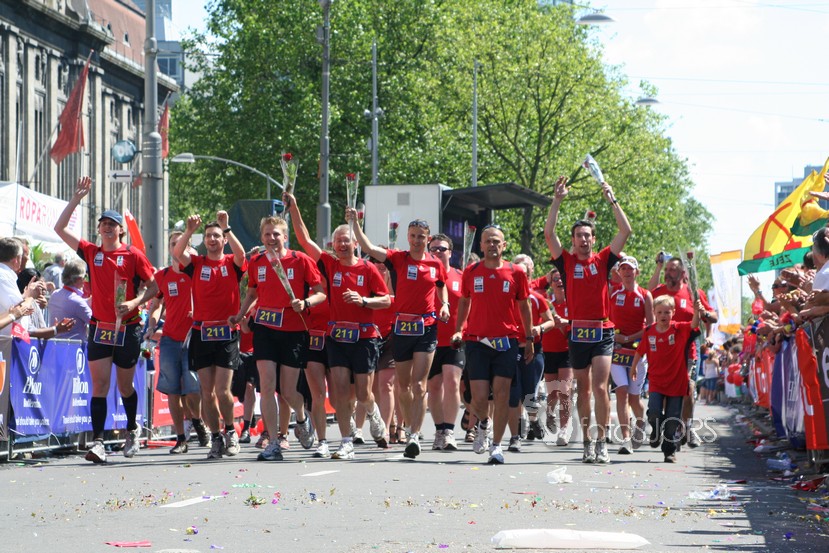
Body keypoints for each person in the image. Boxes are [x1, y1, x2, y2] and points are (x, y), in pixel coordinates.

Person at [54, 176, 158, 464]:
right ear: (98, 229)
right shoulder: (91, 252)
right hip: (100, 328)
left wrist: (134, 302)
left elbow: (153, 287)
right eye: (103, 223)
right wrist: (76, 199)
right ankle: (98, 442)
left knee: (124, 387)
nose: (108, 227)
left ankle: (132, 429)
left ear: (121, 229)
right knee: (99, 386)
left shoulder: (133, 254)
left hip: (128, 327)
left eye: (113, 223)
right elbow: (59, 228)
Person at [285, 192, 391, 460]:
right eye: (338, 241)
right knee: (341, 392)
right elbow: (304, 239)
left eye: (346, 240)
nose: (342, 244)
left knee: (364, 394)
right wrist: (294, 206)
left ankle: (373, 412)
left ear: (355, 243)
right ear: (333, 244)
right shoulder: (330, 264)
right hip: (337, 337)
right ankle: (346, 442)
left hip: (364, 338)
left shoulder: (368, 269)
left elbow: (386, 300)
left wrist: (363, 300)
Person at [348, 211, 449, 459]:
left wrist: (444, 304)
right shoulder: (398, 258)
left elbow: (441, 286)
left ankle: (414, 434)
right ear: (407, 237)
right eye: (413, 236)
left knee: (420, 385)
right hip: (402, 328)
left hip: (426, 327)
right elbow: (368, 247)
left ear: (428, 239)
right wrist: (355, 224)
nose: (416, 240)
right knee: (404, 386)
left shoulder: (435, 264)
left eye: (421, 237)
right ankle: (407, 425)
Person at [544, 175, 631, 464]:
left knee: (600, 386)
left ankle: (602, 441)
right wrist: (557, 201)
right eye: (579, 236)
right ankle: (586, 442)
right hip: (577, 331)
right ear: (573, 240)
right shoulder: (566, 262)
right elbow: (548, 234)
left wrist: (612, 199)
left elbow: (625, 230)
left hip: (602, 330)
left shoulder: (604, 259)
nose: (583, 239)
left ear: (594, 240)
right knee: (583, 389)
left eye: (587, 236)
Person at [232, 216, 327, 462]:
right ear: (261, 237)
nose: (272, 238)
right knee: (266, 386)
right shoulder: (257, 261)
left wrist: (305, 302)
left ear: (285, 237)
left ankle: (302, 418)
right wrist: (240, 315)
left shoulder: (300, 260)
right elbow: (252, 293)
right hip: (265, 328)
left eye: (276, 234)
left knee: (287, 390)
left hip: (293, 330)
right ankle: (273, 442)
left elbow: (321, 294)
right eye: (267, 234)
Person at [452, 224, 534, 465]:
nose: (492, 245)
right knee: (478, 398)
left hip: (506, 341)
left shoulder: (516, 272)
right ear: (481, 245)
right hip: (477, 341)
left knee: (502, 394)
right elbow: (464, 302)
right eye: (487, 241)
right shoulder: (471, 271)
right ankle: (483, 423)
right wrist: (458, 329)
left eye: (496, 241)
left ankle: (497, 446)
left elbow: (525, 306)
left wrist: (529, 338)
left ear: (504, 245)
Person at [173, 211, 246, 460]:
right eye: (208, 236)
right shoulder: (197, 263)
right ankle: (216, 437)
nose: (212, 239)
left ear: (223, 239)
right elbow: (178, 253)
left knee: (223, 390)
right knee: (207, 391)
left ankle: (230, 431)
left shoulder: (231, 263)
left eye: (216, 235)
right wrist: (189, 231)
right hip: (202, 333)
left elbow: (241, 255)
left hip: (227, 333)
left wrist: (227, 227)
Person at [145, 232, 208, 454]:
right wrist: (152, 325)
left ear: (188, 247)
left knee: (193, 389)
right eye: (173, 244)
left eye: (180, 244)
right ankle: (181, 439)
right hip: (170, 338)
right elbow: (156, 305)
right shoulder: (162, 275)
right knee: (172, 390)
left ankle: (197, 420)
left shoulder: (196, 271)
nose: (176, 247)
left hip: (193, 337)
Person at [647, 255, 717, 448]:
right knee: (664, 392)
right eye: (667, 269)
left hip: (687, 351)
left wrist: (707, 325)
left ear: (682, 273)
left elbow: (711, 317)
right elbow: (647, 293)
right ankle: (664, 426)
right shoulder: (660, 291)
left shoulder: (693, 292)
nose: (669, 273)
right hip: (663, 351)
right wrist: (658, 267)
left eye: (673, 269)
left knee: (689, 389)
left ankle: (687, 426)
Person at [630, 295, 702, 463]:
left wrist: (697, 312)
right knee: (654, 411)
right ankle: (656, 430)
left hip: (677, 383)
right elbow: (640, 351)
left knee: (672, 420)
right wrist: (634, 367)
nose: (663, 315)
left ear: (673, 313)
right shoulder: (649, 331)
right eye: (660, 312)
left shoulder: (679, 329)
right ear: (654, 313)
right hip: (656, 382)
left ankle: (669, 452)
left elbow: (694, 325)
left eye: (667, 312)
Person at [507, 255, 553, 453]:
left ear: (529, 275)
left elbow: (550, 321)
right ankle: (515, 435)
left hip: (533, 350)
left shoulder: (536, 298)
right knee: (513, 394)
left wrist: (539, 328)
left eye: (524, 275)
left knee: (528, 395)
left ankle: (533, 420)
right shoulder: (505, 295)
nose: (521, 278)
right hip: (510, 348)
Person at [608, 256, 653, 453]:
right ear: (618, 272)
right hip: (617, 352)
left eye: (630, 269)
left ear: (637, 272)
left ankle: (640, 423)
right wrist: (614, 338)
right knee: (621, 392)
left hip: (637, 353)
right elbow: (606, 319)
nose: (627, 272)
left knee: (634, 398)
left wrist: (629, 338)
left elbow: (651, 326)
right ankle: (626, 438)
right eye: (623, 269)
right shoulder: (612, 293)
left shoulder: (645, 295)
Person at [425, 233, 464, 451]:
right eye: (434, 249)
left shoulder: (461, 276)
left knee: (452, 381)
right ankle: (439, 430)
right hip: (430, 338)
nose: (438, 252)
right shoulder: (426, 275)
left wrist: (463, 331)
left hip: (455, 339)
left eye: (442, 249)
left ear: (450, 252)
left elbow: (471, 305)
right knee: (433, 386)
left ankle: (449, 431)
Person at [541, 267, 573, 446]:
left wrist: (565, 323)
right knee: (552, 392)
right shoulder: (547, 303)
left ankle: (564, 429)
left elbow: (578, 325)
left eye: (562, 278)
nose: (559, 281)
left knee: (565, 391)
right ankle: (550, 412)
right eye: (555, 279)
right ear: (551, 283)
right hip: (549, 351)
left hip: (567, 351)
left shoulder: (573, 303)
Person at [48, 259, 92, 342]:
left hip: (55, 344)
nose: (85, 280)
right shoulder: (77, 301)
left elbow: (71, 306)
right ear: (79, 279)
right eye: (85, 277)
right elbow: (94, 322)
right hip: (73, 347)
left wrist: (90, 300)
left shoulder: (55, 294)